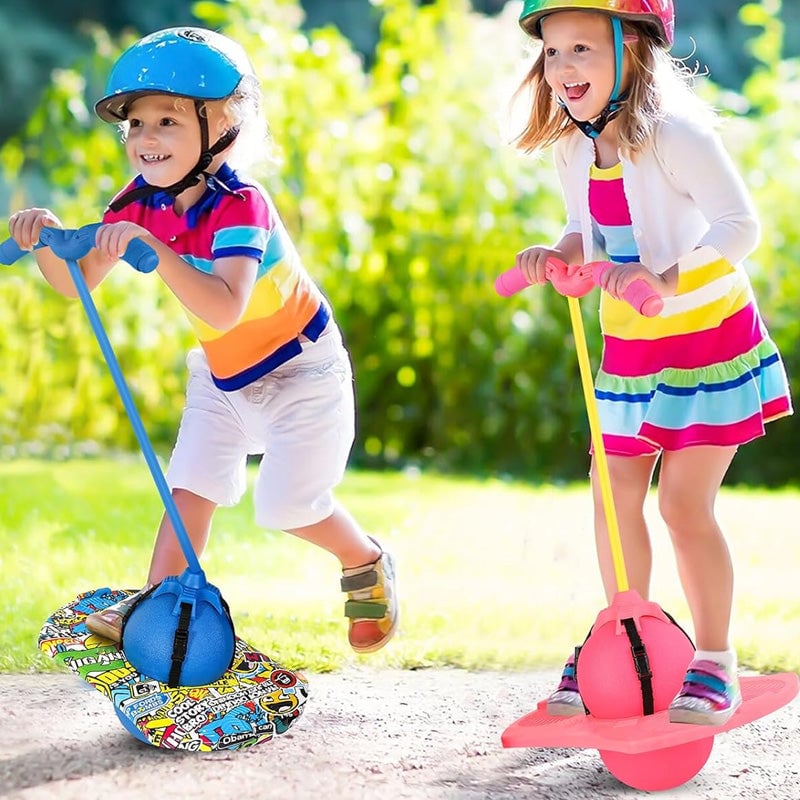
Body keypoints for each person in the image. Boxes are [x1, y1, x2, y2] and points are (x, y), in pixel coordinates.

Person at [8, 27, 398, 655]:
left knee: (288, 506)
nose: (146, 138)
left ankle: (365, 559)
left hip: (301, 371)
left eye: (167, 120)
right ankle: (157, 599)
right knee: (189, 485)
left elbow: (223, 306)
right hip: (224, 377)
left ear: (221, 129)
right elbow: (74, 284)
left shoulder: (242, 205)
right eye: (135, 125)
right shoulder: (135, 203)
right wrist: (45, 239)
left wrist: (156, 253)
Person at [511, 0, 792, 725]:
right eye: (552, 52)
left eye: (581, 49)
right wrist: (560, 256)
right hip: (632, 352)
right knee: (612, 499)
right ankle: (624, 629)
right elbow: (587, 231)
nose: (562, 68)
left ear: (631, 49)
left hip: (708, 344)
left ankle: (715, 659)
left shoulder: (676, 135)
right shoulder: (574, 148)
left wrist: (670, 279)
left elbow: (741, 226)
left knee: (682, 504)